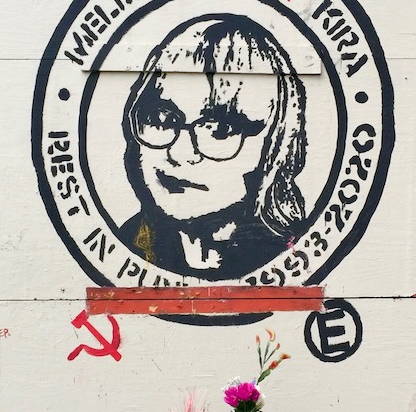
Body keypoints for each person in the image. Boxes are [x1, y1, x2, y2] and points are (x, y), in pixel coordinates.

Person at [119, 14, 308, 278]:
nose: (179, 154)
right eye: (161, 120)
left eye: (220, 130)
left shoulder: (295, 256)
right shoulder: (125, 245)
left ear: (275, 145)